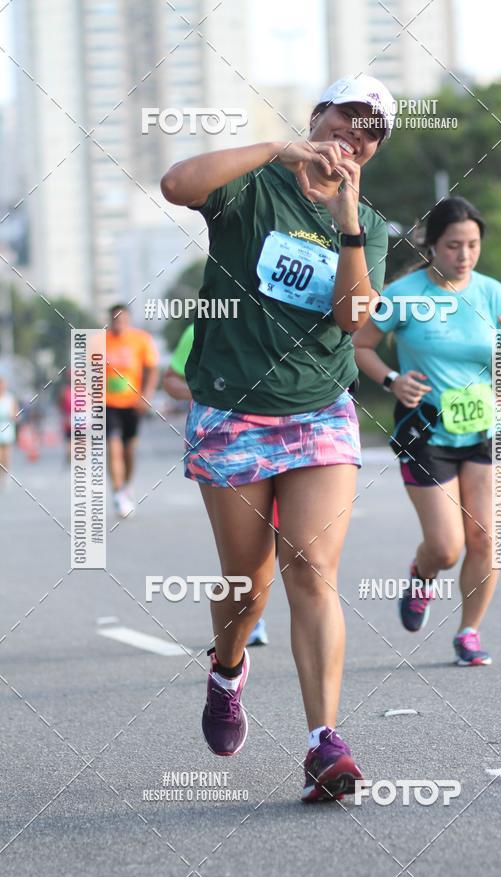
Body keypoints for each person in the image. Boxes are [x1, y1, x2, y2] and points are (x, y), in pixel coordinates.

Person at [161, 74, 394, 800]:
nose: (352, 136)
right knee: (247, 584)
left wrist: (349, 215)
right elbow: (175, 183)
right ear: (318, 114)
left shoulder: (372, 224)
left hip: (319, 408)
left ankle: (324, 743)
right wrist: (277, 147)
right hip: (232, 408)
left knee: (311, 569)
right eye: (344, 118)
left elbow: (353, 316)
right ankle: (227, 667)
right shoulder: (252, 186)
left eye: (370, 131)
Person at [353, 197, 501, 666]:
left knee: (487, 538)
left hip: (481, 428)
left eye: (472, 245)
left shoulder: (493, 294)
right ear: (432, 246)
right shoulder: (404, 294)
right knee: (446, 546)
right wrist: (393, 380)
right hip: (426, 430)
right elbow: (361, 346)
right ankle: (421, 575)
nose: (464, 255)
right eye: (454, 245)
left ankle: (469, 632)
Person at [164, 324, 269, 647]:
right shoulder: (201, 326)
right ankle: (249, 618)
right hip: (223, 442)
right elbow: (171, 380)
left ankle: (257, 613)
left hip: (281, 437)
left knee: (287, 542)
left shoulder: (280, 313)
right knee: (246, 551)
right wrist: (205, 391)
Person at [105, 305, 159, 518]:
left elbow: (152, 368)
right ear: (110, 320)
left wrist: (146, 395)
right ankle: (118, 493)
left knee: (129, 451)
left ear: (128, 320)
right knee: (114, 447)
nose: (119, 323)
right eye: (115, 319)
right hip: (107, 404)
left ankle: (126, 486)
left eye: (123, 319)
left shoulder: (141, 340)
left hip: (133, 404)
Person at [0, 376, 18, 489]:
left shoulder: (10, 398)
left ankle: (6, 476)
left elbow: (16, 413)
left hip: (7, 430)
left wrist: (12, 416)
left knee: (6, 456)